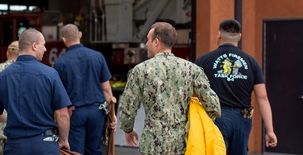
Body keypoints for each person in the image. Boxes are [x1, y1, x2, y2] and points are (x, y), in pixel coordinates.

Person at [118, 22, 221, 154]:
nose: (146, 44)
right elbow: (213, 105)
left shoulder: (140, 70)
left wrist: (128, 129)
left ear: (156, 42)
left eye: (148, 40)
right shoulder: (192, 70)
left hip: (152, 146)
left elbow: (127, 108)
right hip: (182, 145)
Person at [195, 19, 278, 155]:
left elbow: (192, 91)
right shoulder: (251, 62)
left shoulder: (203, 61)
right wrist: (270, 131)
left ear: (219, 35)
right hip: (242, 120)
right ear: (239, 37)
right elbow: (262, 97)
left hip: (215, 118)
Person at [0, 29, 72, 155]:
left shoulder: (2, 77)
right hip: (45, 145)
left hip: (15, 146)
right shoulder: (50, 74)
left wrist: (14, 118)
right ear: (34, 46)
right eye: (44, 45)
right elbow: (62, 114)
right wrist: (64, 140)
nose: (46, 49)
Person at [53, 24, 116, 155]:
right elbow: (106, 90)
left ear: (64, 40)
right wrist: (112, 115)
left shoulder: (60, 63)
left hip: (74, 113)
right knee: (94, 150)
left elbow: (57, 95)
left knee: (75, 151)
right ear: (80, 35)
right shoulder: (98, 56)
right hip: (96, 112)